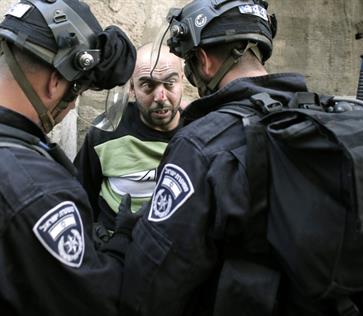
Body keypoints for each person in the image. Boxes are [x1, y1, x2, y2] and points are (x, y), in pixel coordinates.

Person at [0, 0, 137, 315]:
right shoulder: (37, 192)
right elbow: (99, 302)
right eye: (75, 92)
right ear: (54, 83)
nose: (73, 106)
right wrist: (124, 239)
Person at [118, 0, 328, 315]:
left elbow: (151, 284)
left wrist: (124, 236)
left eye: (187, 67)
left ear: (203, 61)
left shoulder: (200, 144)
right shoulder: (323, 117)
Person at [73, 43, 184, 232]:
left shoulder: (198, 134)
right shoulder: (107, 132)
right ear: (132, 88)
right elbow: (80, 194)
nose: (160, 96)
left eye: (170, 83)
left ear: (182, 81)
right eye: (148, 85)